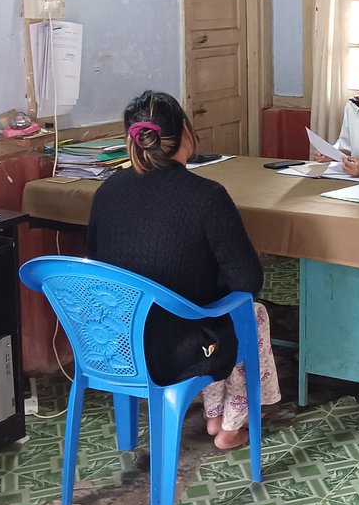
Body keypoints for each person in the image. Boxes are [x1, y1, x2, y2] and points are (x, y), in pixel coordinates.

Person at [87, 90, 280, 450]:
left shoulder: (106, 192)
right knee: (248, 314)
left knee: (210, 311)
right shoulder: (206, 196)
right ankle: (232, 426)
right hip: (177, 350)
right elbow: (248, 281)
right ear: (186, 134)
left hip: (112, 343)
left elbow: (98, 266)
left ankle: (213, 414)